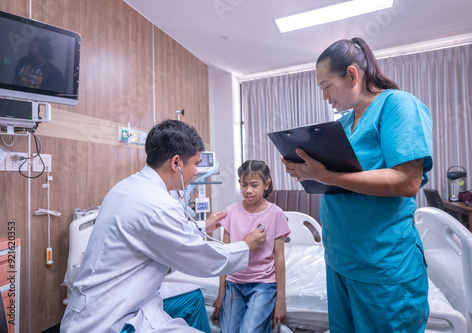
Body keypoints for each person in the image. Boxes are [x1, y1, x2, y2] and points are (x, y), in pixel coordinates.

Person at [280, 37, 433, 333]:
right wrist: (308, 171)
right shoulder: (345, 123)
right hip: (340, 258)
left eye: (326, 86)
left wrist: (325, 176)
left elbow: (407, 180)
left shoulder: (397, 105)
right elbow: (347, 181)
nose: (325, 97)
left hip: (381, 263)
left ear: (352, 75)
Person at [60, 120, 266, 333]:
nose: (196, 172)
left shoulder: (131, 186)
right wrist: (245, 245)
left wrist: (204, 225)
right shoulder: (156, 204)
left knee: (193, 297)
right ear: (176, 163)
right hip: (111, 318)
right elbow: (201, 259)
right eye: (195, 163)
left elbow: (161, 233)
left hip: (120, 299)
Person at [212, 160, 290, 333]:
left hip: (263, 285)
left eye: (254, 185)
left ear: (266, 184)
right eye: (243, 184)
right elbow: (227, 255)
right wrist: (221, 293)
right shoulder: (231, 212)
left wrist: (281, 299)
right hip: (234, 283)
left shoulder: (276, 214)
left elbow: (279, 258)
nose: (248, 190)